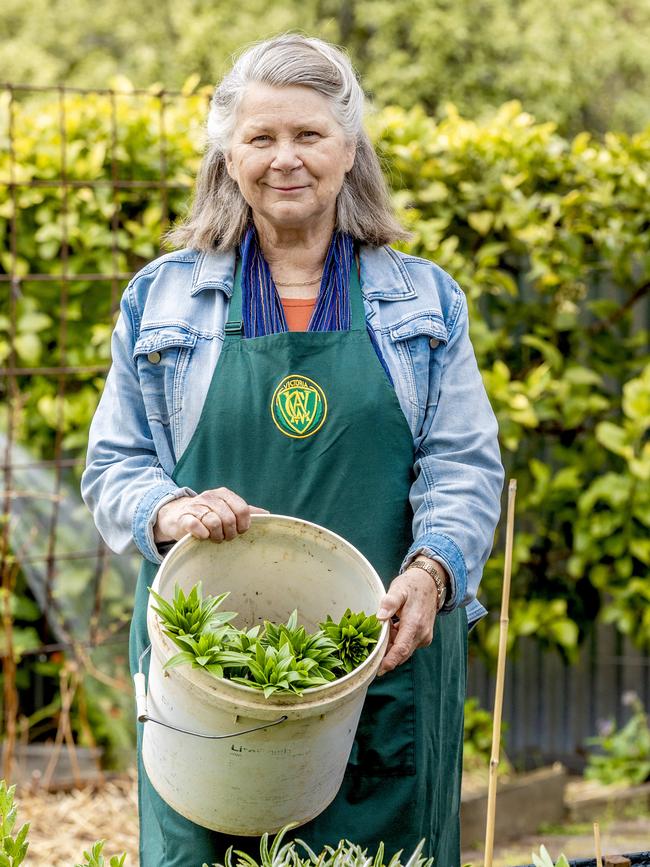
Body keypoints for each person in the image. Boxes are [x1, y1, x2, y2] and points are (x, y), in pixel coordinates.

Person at [82, 33, 503, 867]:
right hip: (212, 679)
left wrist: (434, 570)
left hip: (381, 661)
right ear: (227, 155)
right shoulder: (161, 299)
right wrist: (170, 508)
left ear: (350, 148)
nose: (286, 159)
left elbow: (462, 463)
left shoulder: (422, 300)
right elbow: (114, 464)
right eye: (261, 137)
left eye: (309, 135)